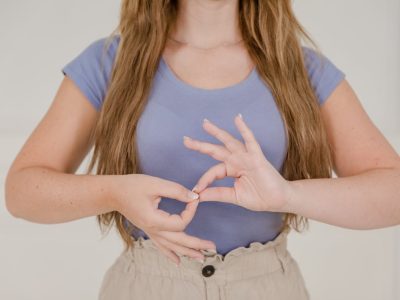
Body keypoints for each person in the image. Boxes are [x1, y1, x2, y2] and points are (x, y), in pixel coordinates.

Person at [5, 0, 400, 299]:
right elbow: (21, 192)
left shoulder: (300, 68)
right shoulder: (109, 62)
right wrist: (113, 192)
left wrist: (290, 194)